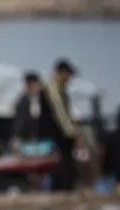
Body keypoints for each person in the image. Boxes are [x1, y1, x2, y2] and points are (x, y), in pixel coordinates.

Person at [40, 59, 83, 191]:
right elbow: (60, 113)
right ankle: (63, 189)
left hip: (59, 132)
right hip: (56, 133)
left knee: (65, 162)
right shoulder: (53, 88)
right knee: (62, 162)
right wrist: (71, 132)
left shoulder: (60, 88)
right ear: (62, 72)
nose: (70, 78)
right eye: (69, 74)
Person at [12, 72, 43, 144]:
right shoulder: (23, 100)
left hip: (38, 136)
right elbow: (21, 122)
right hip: (25, 137)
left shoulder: (40, 99)